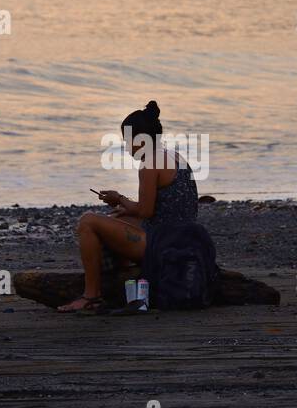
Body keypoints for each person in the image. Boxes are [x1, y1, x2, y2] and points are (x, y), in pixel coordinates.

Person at [57, 101, 198, 313]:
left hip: (164, 245)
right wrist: (122, 204)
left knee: (88, 221)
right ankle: (124, 273)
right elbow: (154, 208)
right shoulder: (173, 156)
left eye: (128, 140)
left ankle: (92, 295)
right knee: (116, 217)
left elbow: (145, 212)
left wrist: (121, 198)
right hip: (182, 238)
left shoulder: (149, 164)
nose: (126, 146)